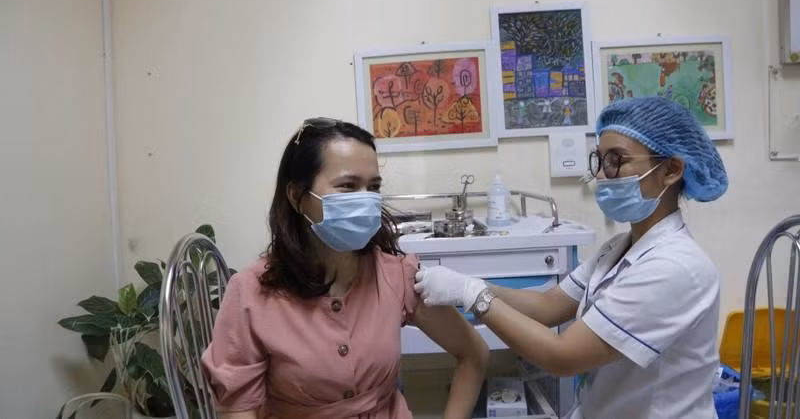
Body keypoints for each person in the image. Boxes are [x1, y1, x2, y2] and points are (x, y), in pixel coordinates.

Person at [414, 96, 728, 419]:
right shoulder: (619, 248)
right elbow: (548, 306)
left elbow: (562, 357)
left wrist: (474, 296)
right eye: (599, 161)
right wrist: (470, 285)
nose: (602, 176)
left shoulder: (675, 267)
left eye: (616, 160)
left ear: (671, 170)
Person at [201, 118, 489, 419]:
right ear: (297, 197)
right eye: (348, 186)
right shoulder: (251, 293)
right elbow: (238, 408)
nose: (365, 200)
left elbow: (473, 354)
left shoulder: (395, 275)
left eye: (373, 187)